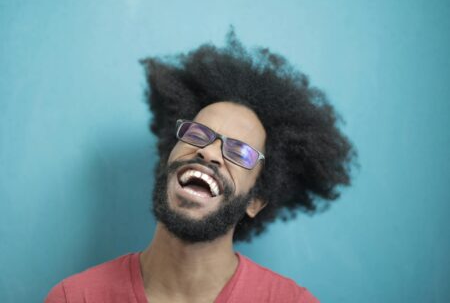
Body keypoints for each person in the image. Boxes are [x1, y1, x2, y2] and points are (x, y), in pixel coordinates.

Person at [45, 30, 357, 303]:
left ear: (255, 200)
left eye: (239, 151)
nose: (209, 153)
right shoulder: (75, 297)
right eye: (198, 134)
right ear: (170, 158)